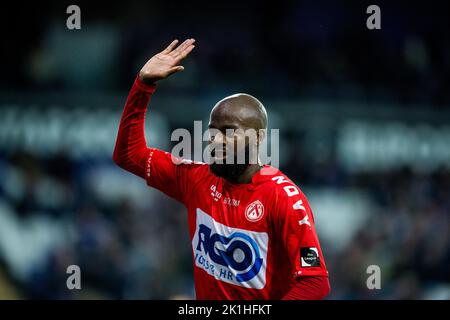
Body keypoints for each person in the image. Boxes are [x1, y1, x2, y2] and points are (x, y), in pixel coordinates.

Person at [113, 38, 330, 299]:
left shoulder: (283, 198)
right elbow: (128, 155)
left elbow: (315, 282)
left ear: (259, 138)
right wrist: (143, 85)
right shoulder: (196, 178)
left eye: (229, 132)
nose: (216, 140)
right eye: (212, 131)